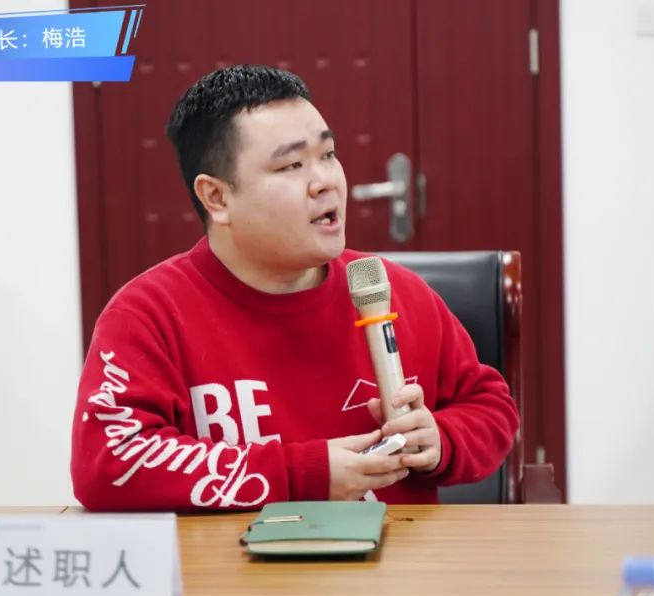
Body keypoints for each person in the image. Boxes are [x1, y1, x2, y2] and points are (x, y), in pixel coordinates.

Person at [70, 65, 519, 511]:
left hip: (396, 553)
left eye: (328, 154)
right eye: (291, 165)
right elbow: (108, 464)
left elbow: (491, 409)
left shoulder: (394, 291)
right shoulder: (149, 313)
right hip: (235, 557)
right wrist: (302, 474)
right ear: (217, 198)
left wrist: (441, 439)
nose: (326, 181)